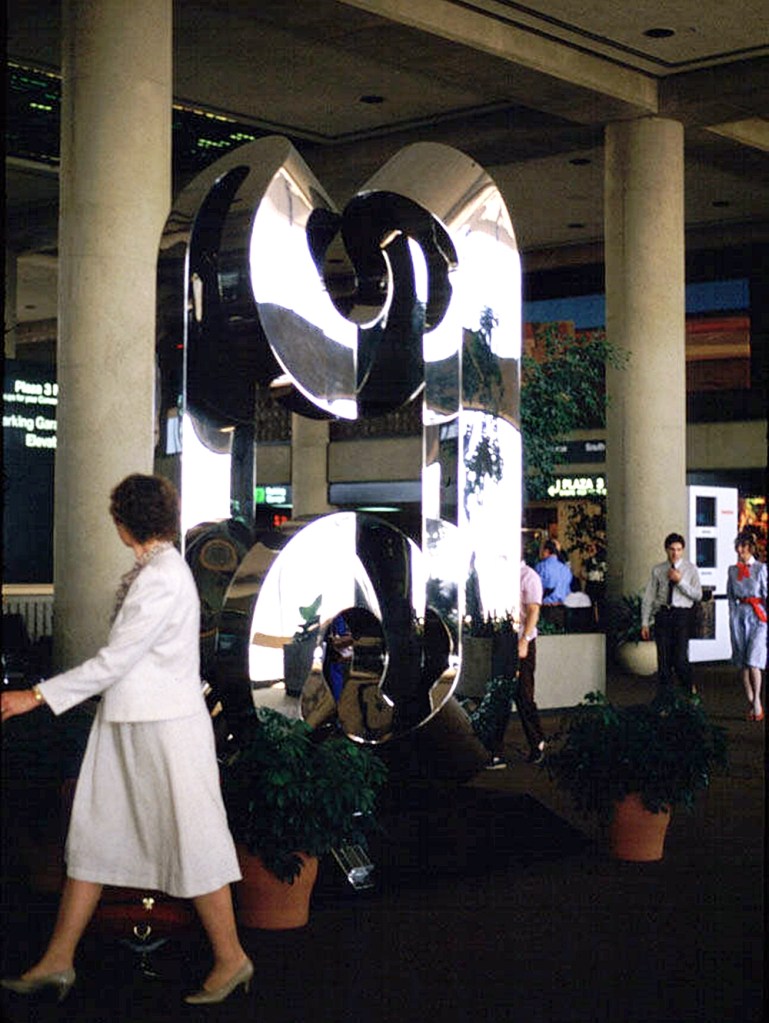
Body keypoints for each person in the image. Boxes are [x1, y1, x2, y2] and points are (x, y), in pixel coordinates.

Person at [0, 474, 252, 1006]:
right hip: (132, 729)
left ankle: (232, 959)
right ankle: (59, 960)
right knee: (94, 835)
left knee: (193, 839)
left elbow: (115, 662)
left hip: (165, 735)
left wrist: (33, 696)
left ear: (122, 524)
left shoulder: (162, 576)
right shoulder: (161, 570)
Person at [641, 532, 702, 693]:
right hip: (663, 614)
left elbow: (698, 595)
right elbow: (649, 597)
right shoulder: (658, 570)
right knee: (664, 660)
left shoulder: (690, 569)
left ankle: (689, 690)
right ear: (666, 550)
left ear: (683, 550)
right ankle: (665, 700)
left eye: (679, 549)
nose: (675, 553)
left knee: (680, 659)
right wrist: (645, 622)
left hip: (682, 615)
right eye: (672, 549)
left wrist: (680, 581)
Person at [726, 531, 766, 721]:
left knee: (753, 660)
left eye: (744, 546)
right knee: (742, 661)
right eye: (738, 546)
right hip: (739, 616)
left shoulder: (760, 569)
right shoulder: (732, 570)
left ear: (751, 548)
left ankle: (757, 700)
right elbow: (730, 596)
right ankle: (750, 700)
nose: (740, 550)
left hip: (757, 616)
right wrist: (732, 616)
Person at [516, 561, 547, 764]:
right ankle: (492, 749)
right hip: (503, 639)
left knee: (524, 695)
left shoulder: (529, 576)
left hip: (522, 640)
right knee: (499, 694)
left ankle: (538, 742)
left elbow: (533, 610)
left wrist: (525, 640)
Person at [535, 539, 573, 605]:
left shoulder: (541, 567)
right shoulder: (565, 569)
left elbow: (537, 589)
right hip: (563, 607)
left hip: (546, 606)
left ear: (546, 551)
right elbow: (567, 591)